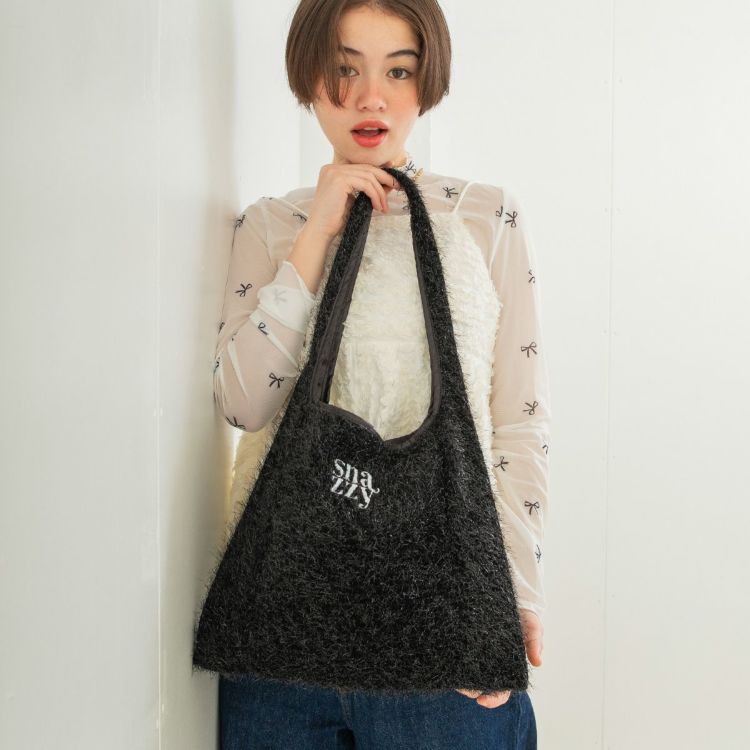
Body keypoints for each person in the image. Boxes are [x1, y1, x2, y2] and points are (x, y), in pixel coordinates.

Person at [210, 1, 551, 747]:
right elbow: (242, 405)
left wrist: (517, 596)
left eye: (399, 71)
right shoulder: (270, 224)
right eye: (345, 69)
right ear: (309, 77)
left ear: (428, 81)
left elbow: (518, 423)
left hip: (445, 627)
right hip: (282, 633)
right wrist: (318, 232)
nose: (371, 97)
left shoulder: (485, 217)